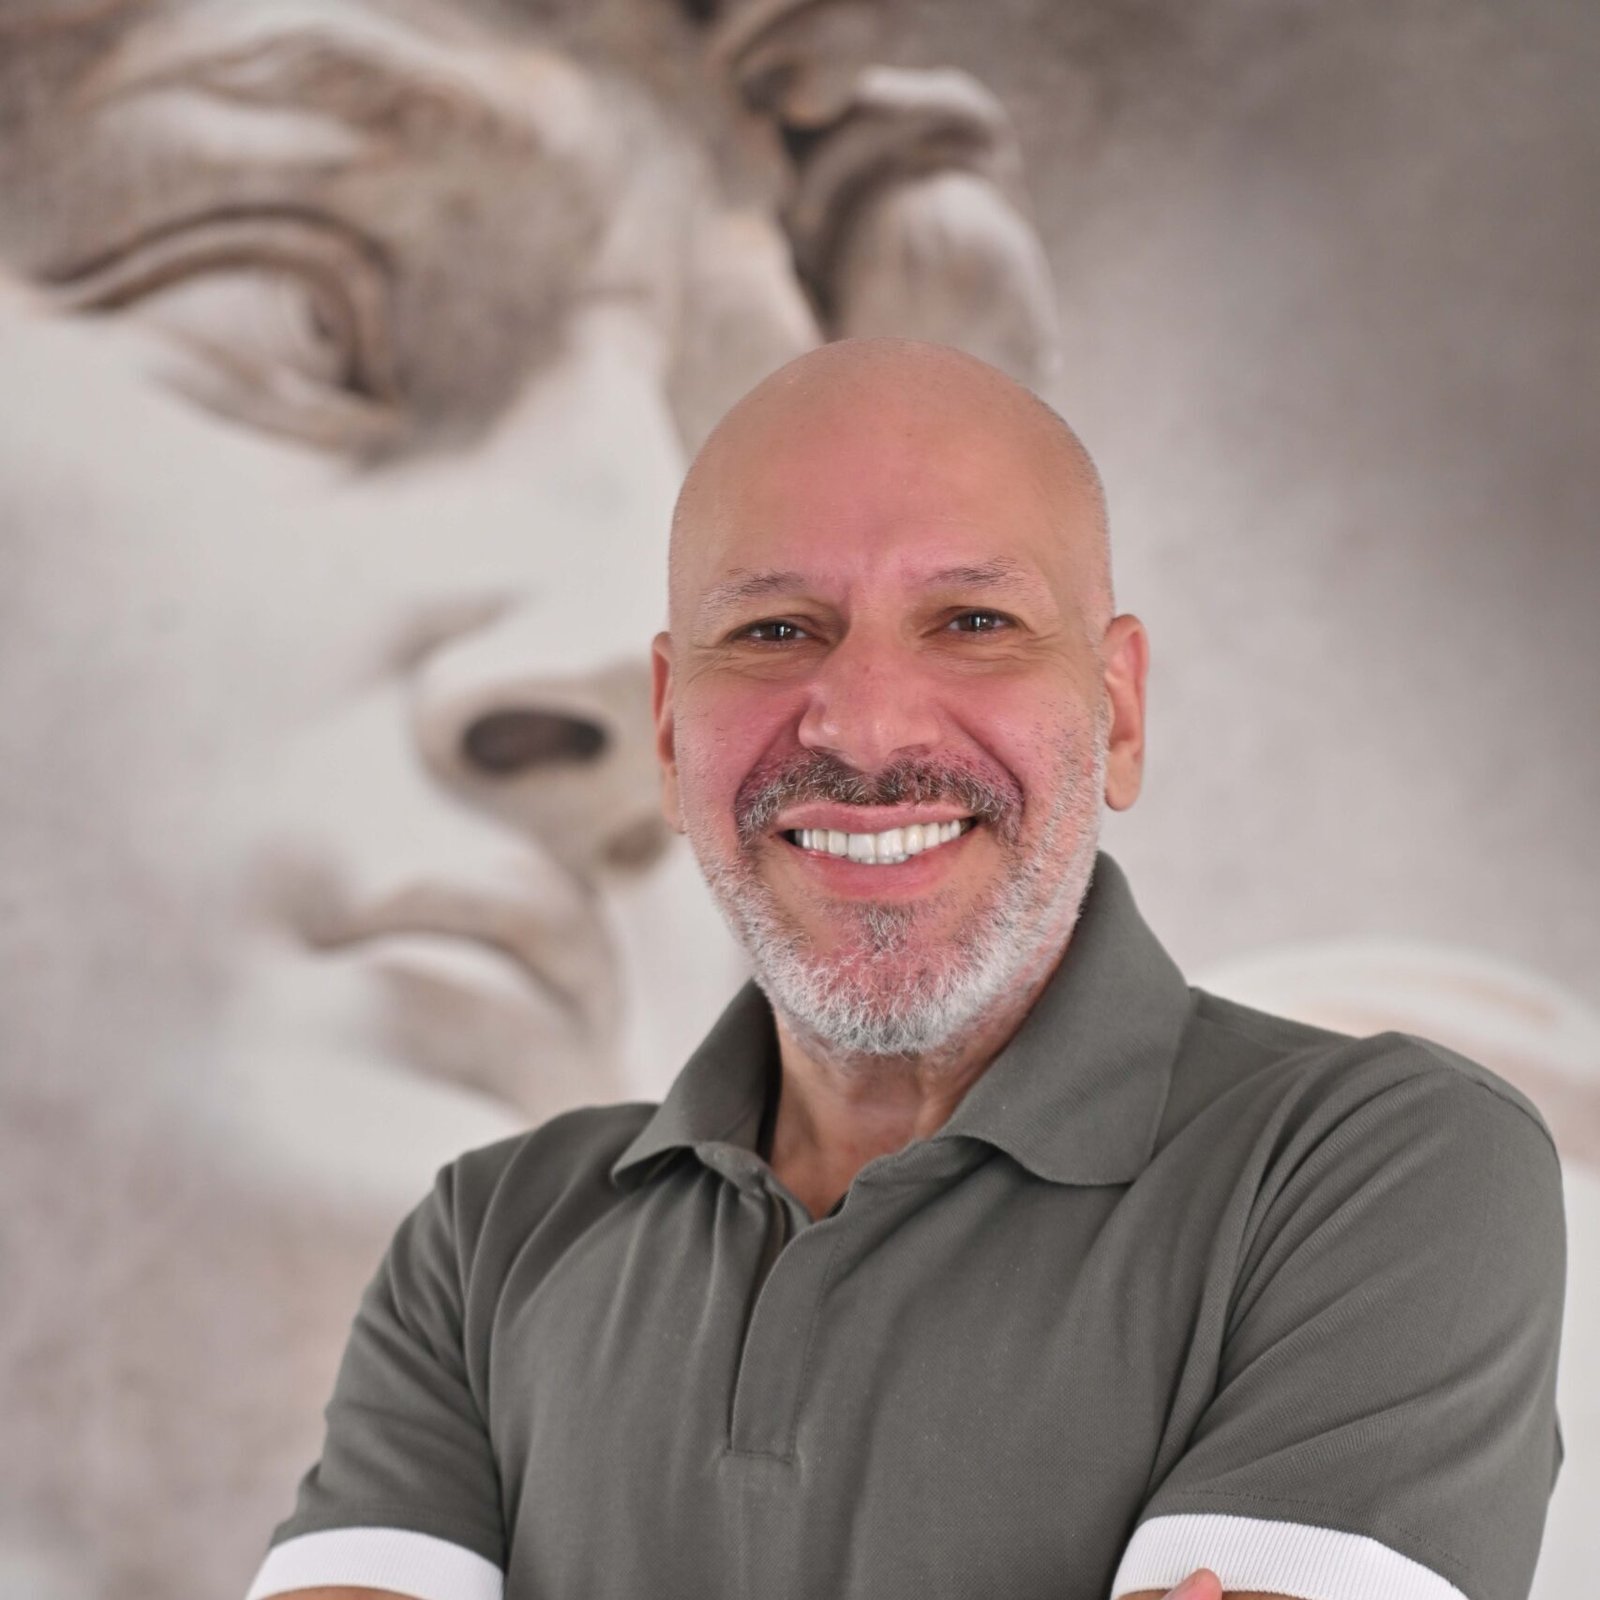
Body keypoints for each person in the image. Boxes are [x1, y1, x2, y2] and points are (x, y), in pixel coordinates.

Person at [246, 337, 1565, 1600]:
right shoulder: (485, 1244)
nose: (867, 725)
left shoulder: (1382, 1173)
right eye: (774, 631)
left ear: (1116, 710)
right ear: (668, 728)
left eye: (975, 620)